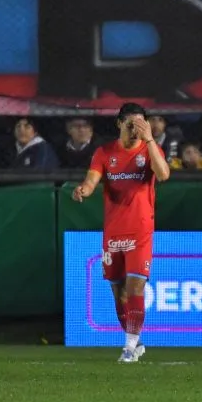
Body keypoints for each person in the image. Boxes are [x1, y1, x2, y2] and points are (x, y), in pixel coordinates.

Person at [72, 103, 171, 363]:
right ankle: (134, 341)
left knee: (136, 286)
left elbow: (163, 174)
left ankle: (128, 347)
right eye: (131, 124)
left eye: (140, 124)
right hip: (114, 231)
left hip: (140, 230)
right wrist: (83, 189)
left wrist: (150, 139)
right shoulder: (104, 153)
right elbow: (92, 181)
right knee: (119, 293)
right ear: (119, 124)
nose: (135, 129)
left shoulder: (150, 149)